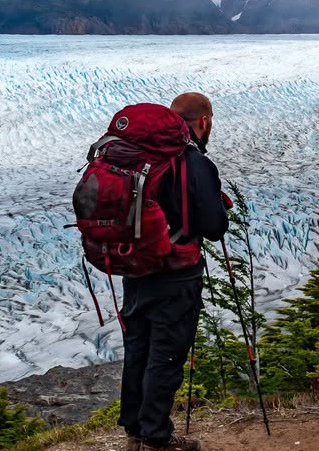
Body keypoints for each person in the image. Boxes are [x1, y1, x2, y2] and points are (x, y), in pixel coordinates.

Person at [118, 92, 229, 451]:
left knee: (138, 349)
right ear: (204, 122)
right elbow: (214, 227)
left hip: (135, 271)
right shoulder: (194, 163)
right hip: (175, 275)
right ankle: (156, 439)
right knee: (165, 355)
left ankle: (135, 433)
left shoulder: (140, 158)